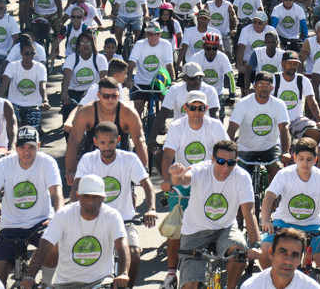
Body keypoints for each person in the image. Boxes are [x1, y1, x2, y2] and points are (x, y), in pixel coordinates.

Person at [0, 126, 62, 287]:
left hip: (40, 222)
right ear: (15, 146)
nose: (26, 152)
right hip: (11, 225)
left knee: (54, 244)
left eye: (31, 147)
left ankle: (47, 282)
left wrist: (58, 218)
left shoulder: (47, 162)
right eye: (22, 147)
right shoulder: (4, 164)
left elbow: (57, 194)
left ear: (39, 145)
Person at [71, 122, 156, 288]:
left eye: (111, 142)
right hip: (95, 221)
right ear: (95, 142)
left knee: (134, 253)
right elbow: (76, 189)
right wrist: (72, 214)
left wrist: (151, 208)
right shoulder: (88, 160)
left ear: (118, 140)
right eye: (102, 143)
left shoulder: (129, 159)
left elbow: (147, 185)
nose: (107, 147)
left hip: (124, 220)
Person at [169, 139, 262, 289]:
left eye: (231, 163)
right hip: (195, 230)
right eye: (221, 161)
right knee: (190, 285)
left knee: (239, 254)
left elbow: (249, 212)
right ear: (212, 159)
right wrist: (176, 175)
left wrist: (256, 244)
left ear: (236, 162)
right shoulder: (201, 170)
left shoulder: (242, 177)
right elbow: (182, 179)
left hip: (225, 228)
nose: (225, 167)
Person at [159, 90, 229, 288]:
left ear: (206, 109)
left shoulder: (215, 126)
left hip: (210, 181)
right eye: (193, 108)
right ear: (186, 109)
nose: (197, 112)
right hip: (183, 182)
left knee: (214, 225)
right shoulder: (177, 126)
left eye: (201, 108)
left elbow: (226, 150)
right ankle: (172, 273)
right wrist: (167, 180)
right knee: (176, 230)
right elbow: (168, 155)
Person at [259, 138, 320, 283]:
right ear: (295, 158)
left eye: (309, 159)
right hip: (283, 223)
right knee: (265, 253)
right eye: (301, 159)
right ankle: (273, 284)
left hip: (313, 226)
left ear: (315, 160)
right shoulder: (284, 174)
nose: (305, 163)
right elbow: (270, 196)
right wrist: (265, 220)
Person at [65, 77, 148, 184]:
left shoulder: (128, 113)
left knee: (131, 197)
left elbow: (139, 141)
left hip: (122, 164)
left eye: (114, 96)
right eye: (106, 96)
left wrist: (144, 170)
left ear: (119, 95)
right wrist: (70, 170)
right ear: (98, 95)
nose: (110, 100)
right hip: (93, 165)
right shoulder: (86, 112)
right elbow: (74, 140)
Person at [229, 71, 290, 184]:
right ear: (255, 86)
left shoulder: (278, 104)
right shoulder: (244, 103)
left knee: (278, 172)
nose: (264, 88)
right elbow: (232, 128)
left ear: (272, 88)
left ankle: (271, 200)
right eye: (261, 84)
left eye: (267, 85)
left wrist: (286, 152)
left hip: (270, 147)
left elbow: (284, 129)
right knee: (239, 179)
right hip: (246, 148)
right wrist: (229, 151)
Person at [242, 228, 320, 289]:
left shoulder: (311, 287)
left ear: (300, 259)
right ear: (271, 253)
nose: (288, 261)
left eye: (295, 255)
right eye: (283, 252)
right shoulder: (251, 286)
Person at [271, 51, 320, 141]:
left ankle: (308, 153)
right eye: (289, 63)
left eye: (295, 64)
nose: (292, 66)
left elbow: (311, 102)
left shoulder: (303, 80)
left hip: (297, 120)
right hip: (277, 120)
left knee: (315, 132)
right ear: (282, 64)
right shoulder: (274, 79)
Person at [0, 36, 49, 131]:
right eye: (26, 54)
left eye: (32, 54)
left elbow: (42, 86)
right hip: (14, 104)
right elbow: (4, 84)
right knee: (11, 128)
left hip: (34, 105)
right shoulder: (12, 66)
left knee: (33, 131)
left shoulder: (40, 68)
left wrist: (45, 100)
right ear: (21, 53)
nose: (29, 56)